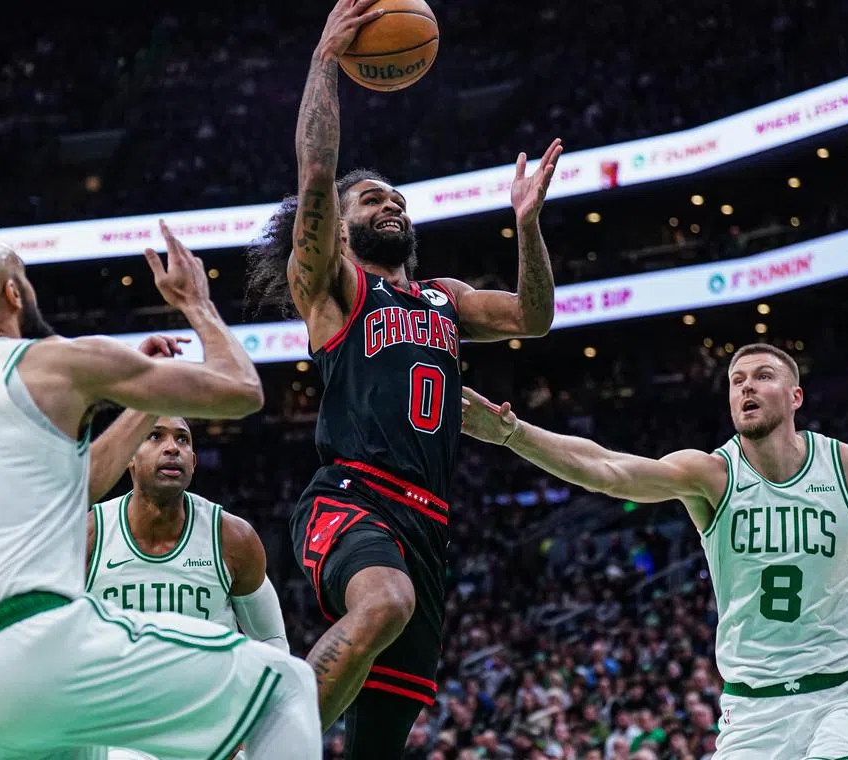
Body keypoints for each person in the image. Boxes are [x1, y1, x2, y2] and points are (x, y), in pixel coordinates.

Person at [244, 0, 562, 754]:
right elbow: (317, 175)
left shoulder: (442, 298)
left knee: (382, 742)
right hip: (354, 496)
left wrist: (528, 226)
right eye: (371, 198)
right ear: (339, 225)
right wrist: (325, 61)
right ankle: (255, 745)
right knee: (383, 600)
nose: (389, 202)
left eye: (397, 198)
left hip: (430, 523)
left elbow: (534, 317)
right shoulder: (336, 289)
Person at [0, 224, 320, 760]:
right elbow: (242, 391)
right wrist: (196, 303)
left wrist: (139, 404)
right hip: (29, 648)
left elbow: (72, 488)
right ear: (13, 293)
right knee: (285, 684)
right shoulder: (47, 360)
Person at [461, 342, 848, 760]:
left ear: (795, 396)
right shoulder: (711, 475)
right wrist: (513, 434)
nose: (747, 388)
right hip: (752, 707)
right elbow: (608, 470)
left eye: (763, 376)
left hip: (842, 693)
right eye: (737, 381)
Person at [85, 413, 290, 760]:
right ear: (128, 456)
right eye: (155, 437)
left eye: (182, 440)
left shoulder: (232, 537)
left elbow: (270, 641)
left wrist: (251, 727)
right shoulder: (89, 536)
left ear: (194, 462)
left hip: (211, 731)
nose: (172, 449)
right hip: (119, 734)